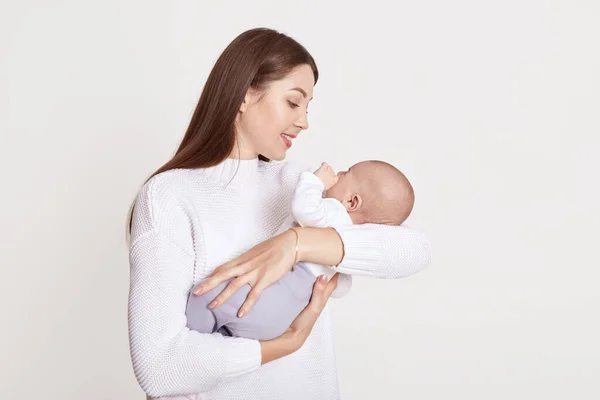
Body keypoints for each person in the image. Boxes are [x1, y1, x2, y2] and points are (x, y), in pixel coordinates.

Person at [127, 27, 432, 400]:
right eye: (293, 102)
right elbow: (160, 368)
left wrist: (297, 243)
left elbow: (415, 250)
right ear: (243, 95)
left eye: (307, 107)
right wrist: (285, 343)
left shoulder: (301, 185)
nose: (304, 121)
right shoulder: (171, 196)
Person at [185, 159, 416, 341]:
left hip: (266, 298)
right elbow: (339, 288)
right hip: (280, 319)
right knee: (228, 330)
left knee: (206, 299)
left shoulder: (334, 211)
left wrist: (315, 182)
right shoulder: (347, 242)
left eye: (346, 173)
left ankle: (192, 356)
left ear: (352, 203)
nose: (339, 174)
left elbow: (304, 209)